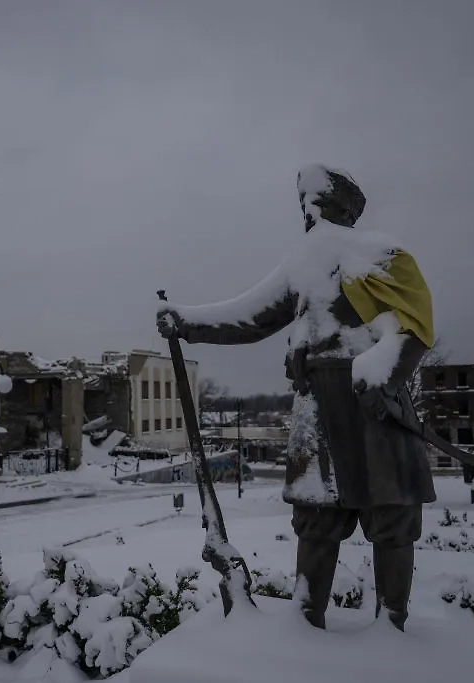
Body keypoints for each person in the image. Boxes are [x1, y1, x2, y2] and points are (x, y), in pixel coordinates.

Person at [156, 164, 436, 631]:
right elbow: (251, 316)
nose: (309, 212)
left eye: (318, 201)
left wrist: (383, 377)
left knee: (392, 518)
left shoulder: (385, 255)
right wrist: (186, 322)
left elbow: (414, 328)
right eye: (304, 203)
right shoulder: (303, 263)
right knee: (315, 519)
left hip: (372, 405)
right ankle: (306, 624)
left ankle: (393, 625)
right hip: (318, 407)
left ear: (344, 208)